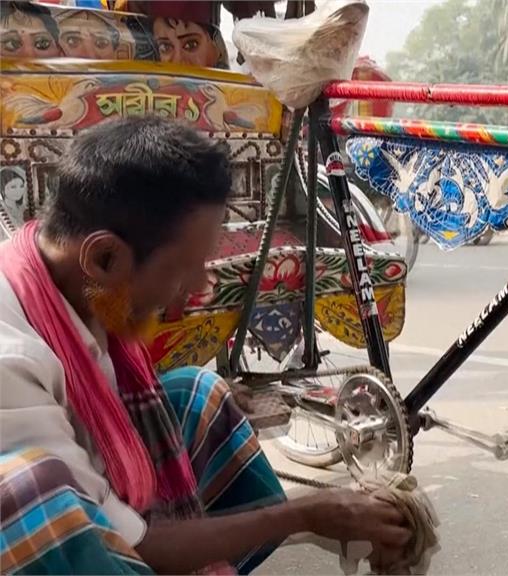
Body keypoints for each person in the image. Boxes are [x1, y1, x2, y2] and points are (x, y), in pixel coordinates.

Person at [0, 116, 411, 574]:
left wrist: (319, 519)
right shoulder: (11, 361)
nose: (198, 286)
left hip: (92, 487)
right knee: (33, 499)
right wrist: (308, 513)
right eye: (183, 268)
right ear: (104, 257)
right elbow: (134, 543)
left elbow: (105, 403)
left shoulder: (73, 278)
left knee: (198, 396)